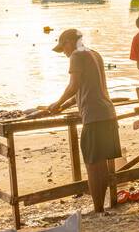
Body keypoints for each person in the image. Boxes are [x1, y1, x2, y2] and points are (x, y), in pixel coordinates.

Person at [40, 28, 120, 212]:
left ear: (69, 42)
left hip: (93, 116)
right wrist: (62, 105)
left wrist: (58, 101)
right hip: (107, 113)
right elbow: (84, 88)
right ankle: (101, 207)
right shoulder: (94, 54)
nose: (64, 54)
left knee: (93, 164)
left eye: (63, 49)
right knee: (101, 164)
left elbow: (74, 84)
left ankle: (98, 208)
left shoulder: (76, 55)